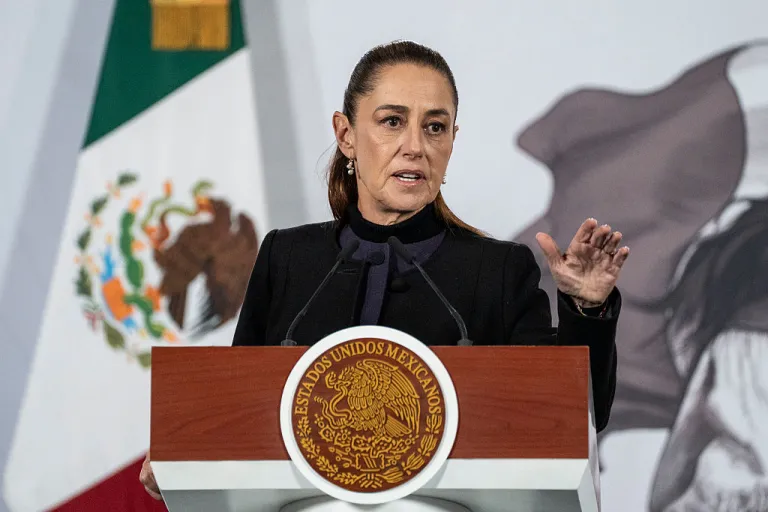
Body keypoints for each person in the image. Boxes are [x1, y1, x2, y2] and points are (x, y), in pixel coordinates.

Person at [141, 39, 629, 500]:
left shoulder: (498, 270)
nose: (415, 146)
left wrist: (587, 306)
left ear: (452, 141)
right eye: (392, 121)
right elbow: (237, 414)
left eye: (435, 126)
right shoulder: (287, 258)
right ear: (346, 135)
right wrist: (186, 455)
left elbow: (569, 420)